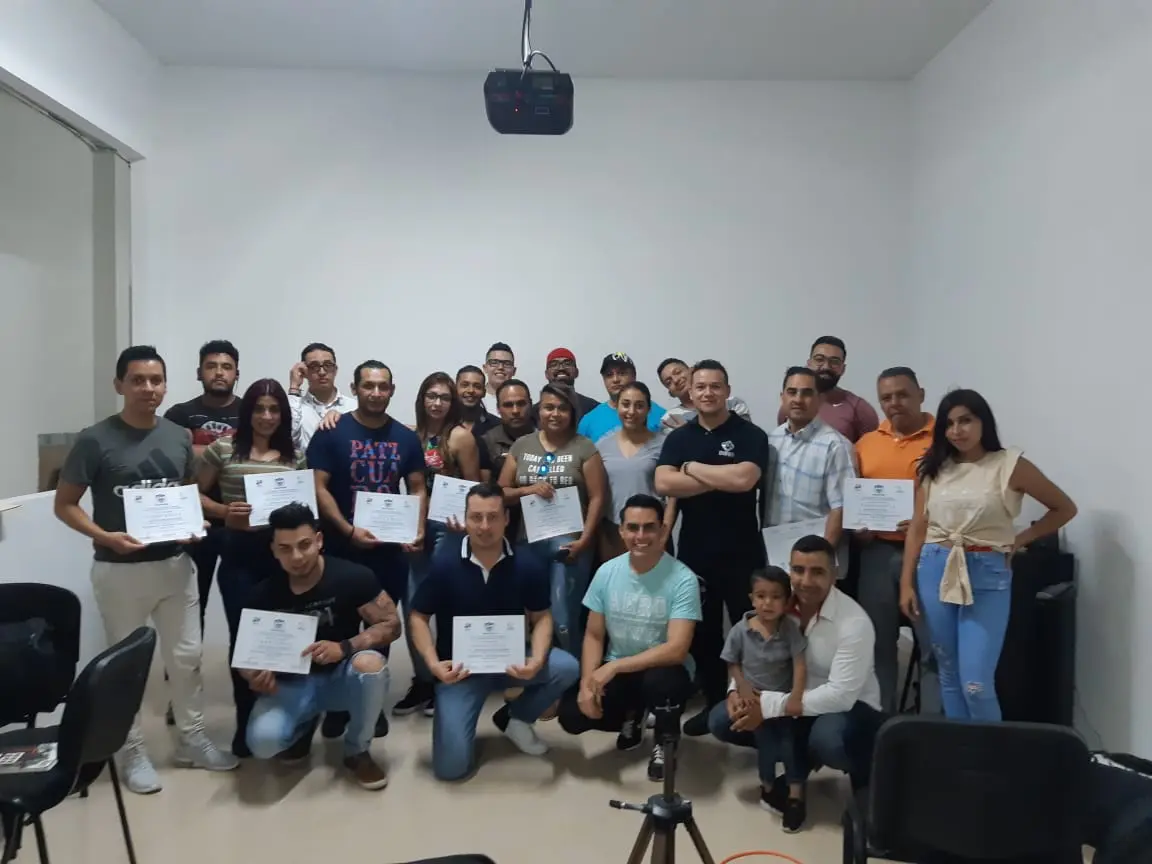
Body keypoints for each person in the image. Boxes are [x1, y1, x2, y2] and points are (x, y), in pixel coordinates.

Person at [53, 345, 238, 794]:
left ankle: (192, 738)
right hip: (120, 570)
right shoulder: (95, 439)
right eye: (138, 380)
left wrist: (193, 525)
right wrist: (105, 536)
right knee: (127, 668)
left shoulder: (177, 435)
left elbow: (184, 493)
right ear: (120, 384)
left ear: (166, 385)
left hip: (175, 566)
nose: (148, 388)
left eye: (156, 380)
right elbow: (65, 504)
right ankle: (131, 749)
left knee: (187, 658)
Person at [900, 389, 1077, 721]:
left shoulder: (1009, 465)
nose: (957, 431)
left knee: (976, 683)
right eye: (949, 424)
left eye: (966, 420)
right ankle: (959, 749)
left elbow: (1064, 508)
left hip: (986, 571)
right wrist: (906, 583)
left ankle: (992, 751)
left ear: (984, 421)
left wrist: (1020, 540)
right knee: (948, 672)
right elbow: (918, 528)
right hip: (935, 567)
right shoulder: (934, 468)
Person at [408, 484, 580, 781]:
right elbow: (418, 617)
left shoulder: (527, 564)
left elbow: (541, 617)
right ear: (465, 519)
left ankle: (517, 718)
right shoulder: (445, 565)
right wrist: (433, 663)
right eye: (476, 517)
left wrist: (537, 659)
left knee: (566, 667)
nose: (485, 526)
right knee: (451, 769)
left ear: (506, 519)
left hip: (511, 661)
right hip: (460, 671)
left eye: (493, 517)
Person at [709, 535, 884, 807]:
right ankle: (797, 753)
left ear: (834, 574)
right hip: (793, 699)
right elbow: (749, 654)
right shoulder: (777, 605)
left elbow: (841, 696)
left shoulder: (854, 623)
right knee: (723, 719)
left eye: (817, 572)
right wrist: (736, 691)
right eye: (798, 570)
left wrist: (768, 706)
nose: (805, 581)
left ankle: (866, 770)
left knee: (829, 740)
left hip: (848, 707)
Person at [241, 503, 398, 790]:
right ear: (273, 550)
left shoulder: (353, 577)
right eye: (285, 549)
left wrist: (345, 647)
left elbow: (391, 625)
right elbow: (245, 658)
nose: (297, 557)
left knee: (372, 666)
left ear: (319, 540)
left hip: (341, 678)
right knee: (262, 743)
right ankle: (302, 727)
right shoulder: (262, 594)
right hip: (291, 684)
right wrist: (254, 675)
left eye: (304, 545)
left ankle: (357, 751)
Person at [307, 360, 426, 738]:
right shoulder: (332, 432)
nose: (376, 393)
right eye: (368, 386)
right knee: (337, 627)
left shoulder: (405, 438)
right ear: (355, 388)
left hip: (388, 554)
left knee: (381, 630)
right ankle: (338, 707)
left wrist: (417, 528)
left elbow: (417, 487)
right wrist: (347, 529)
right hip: (341, 550)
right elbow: (318, 487)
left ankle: (370, 704)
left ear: (392, 390)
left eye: (383, 386)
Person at [654, 359, 769, 736]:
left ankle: (754, 706)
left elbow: (745, 479)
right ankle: (715, 703)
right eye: (700, 386)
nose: (707, 393)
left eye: (715, 386)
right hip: (695, 554)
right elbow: (664, 483)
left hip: (743, 552)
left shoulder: (751, 434)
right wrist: (720, 476)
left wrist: (690, 469)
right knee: (704, 636)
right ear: (690, 391)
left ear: (727, 390)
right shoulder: (679, 438)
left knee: (749, 630)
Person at [195, 378, 306, 756]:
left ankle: (287, 722)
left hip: (284, 562)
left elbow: (305, 509)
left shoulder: (295, 456)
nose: (267, 416)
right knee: (245, 643)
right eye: (260, 408)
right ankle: (245, 724)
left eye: (274, 409)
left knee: (286, 640)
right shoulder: (223, 448)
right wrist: (226, 512)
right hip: (239, 558)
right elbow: (194, 494)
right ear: (248, 412)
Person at [558, 494, 701, 782]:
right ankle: (632, 715)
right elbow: (594, 634)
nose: (640, 536)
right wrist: (587, 683)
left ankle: (665, 739)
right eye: (633, 527)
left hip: (663, 669)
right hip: (621, 666)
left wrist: (613, 667)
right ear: (621, 531)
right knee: (572, 716)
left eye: (649, 527)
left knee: (662, 683)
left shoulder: (683, 579)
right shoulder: (607, 572)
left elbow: (676, 649)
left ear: (663, 530)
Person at [393, 372, 481, 718]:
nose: (437, 403)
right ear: (421, 399)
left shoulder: (460, 436)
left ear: (452, 402)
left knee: (445, 603)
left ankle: (447, 678)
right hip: (413, 526)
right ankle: (423, 680)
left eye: (444, 397)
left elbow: (474, 488)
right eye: (431, 396)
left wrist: (468, 524)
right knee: (413, 604)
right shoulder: (409, 436)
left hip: (449, 528)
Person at [498, 382, 606, 653]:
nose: (555, 414)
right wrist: (528, 490)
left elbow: (598, 497)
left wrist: (585, 541)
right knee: (528, 614)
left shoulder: (585, 447)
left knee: (563, 618)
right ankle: (538, 671)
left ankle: (572, 672)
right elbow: (500, 493)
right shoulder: (522, 445)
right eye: (548, 407)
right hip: (528, 543)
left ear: (572, 412)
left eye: (562, 408)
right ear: (539, 411)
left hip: (570, 545)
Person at [853, 367, 936, 714]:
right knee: (877, 645)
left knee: (934, 646)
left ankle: (932, 724)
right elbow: (855, 496)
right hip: (876, 553)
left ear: (921, 394)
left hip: (930, 554)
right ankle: (883, 725)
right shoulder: (865, 444)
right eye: (886, 397)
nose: (894, 403)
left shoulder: (944, 441)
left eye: (902, 395)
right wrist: (859, 527)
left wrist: (924, 524)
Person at [712, 567, 811, 832]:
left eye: (776, 597)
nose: (768, 603)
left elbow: (800, 664)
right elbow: (732, 662)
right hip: (755, 703)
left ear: (787, 601)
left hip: (783, 703)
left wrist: (796, 696)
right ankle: (768, 789)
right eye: (761, 596)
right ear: (752, 598)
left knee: (790, 746)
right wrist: (741, 686)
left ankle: (796, 796)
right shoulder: (740, 631)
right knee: (766, 746)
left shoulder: (790, 629)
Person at [164, 339, 241, 626]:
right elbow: (174, 462)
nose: (219, 372)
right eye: (211, 366)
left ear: (236, 373)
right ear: (199, 373)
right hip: (192, 521)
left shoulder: (251, 412)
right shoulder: (179, 414)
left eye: (226, 367)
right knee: (191, 604)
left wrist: (196, 449)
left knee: (241, 602)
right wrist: (227, 453)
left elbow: (255, 457)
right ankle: (189, 657)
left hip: (239, 519)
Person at [767, 367, 857, 575]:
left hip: (816, 565)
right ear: (782, 397)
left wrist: (817, 561)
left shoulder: (836, 445)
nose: (798, 399)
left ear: (820, 399)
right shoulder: (772, 440)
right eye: (792, 392)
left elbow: (841, 508)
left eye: (807, 393)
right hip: (776, 557)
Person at [596, 382, 675, 560]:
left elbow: (673, 496)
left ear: (648, 409)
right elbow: (597, 494)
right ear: (617, 406)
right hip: (614, 532)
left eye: (639, 406)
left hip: (652, 531)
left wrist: (665, 531)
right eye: (626, 404)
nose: (631, 411)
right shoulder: (602, 445)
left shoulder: (664, 444)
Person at [775, 337, 879, 443]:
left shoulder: (860, 409)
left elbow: (871, 449)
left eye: (834, 362)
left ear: (843, 369)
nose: (826, 367)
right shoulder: (793, 405)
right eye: (819, 359)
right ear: (809, 363)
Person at [480, 379, 536, 540]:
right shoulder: (486, 442)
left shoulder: (548, 436)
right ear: (498, 408)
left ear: (531, 404)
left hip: (547, 520)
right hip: (503, 527)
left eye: (521, 404)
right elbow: (485, 491)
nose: (516, 410)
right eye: (508, 405)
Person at [577, 353, 666, 442]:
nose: (615, 379)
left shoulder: (661, 415)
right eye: (609, 375)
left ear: (634, 376)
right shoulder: (589, 421)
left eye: (622, 373)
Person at [288, 342, 357, 450]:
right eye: (314, 366)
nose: (322, 372)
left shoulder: (354, 407)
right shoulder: (296, 408)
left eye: (328, 365)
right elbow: (288, 437)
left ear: (335, 370)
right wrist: (294, 386)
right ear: (304, 372)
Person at [656, 357, 750, 430]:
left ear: (691, 371)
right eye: (669, 382)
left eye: (678, 372)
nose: (676, 380)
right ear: (671, 393)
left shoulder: (732, 403)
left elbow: (746, 438)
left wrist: (689, 433)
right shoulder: (670, 418)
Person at [534, 347, 600, 421]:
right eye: (554, 364)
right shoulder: (533, 412)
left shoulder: (594, 408)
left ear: (576, 372)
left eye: (567, 364)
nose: (561, 368)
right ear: (546, 374)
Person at [482, 342, 516, 412]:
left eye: (507, 363)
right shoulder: (476, 399)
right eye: (494, 362)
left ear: (514, 371)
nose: (500, 367)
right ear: (485, 368)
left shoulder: (520, 401)